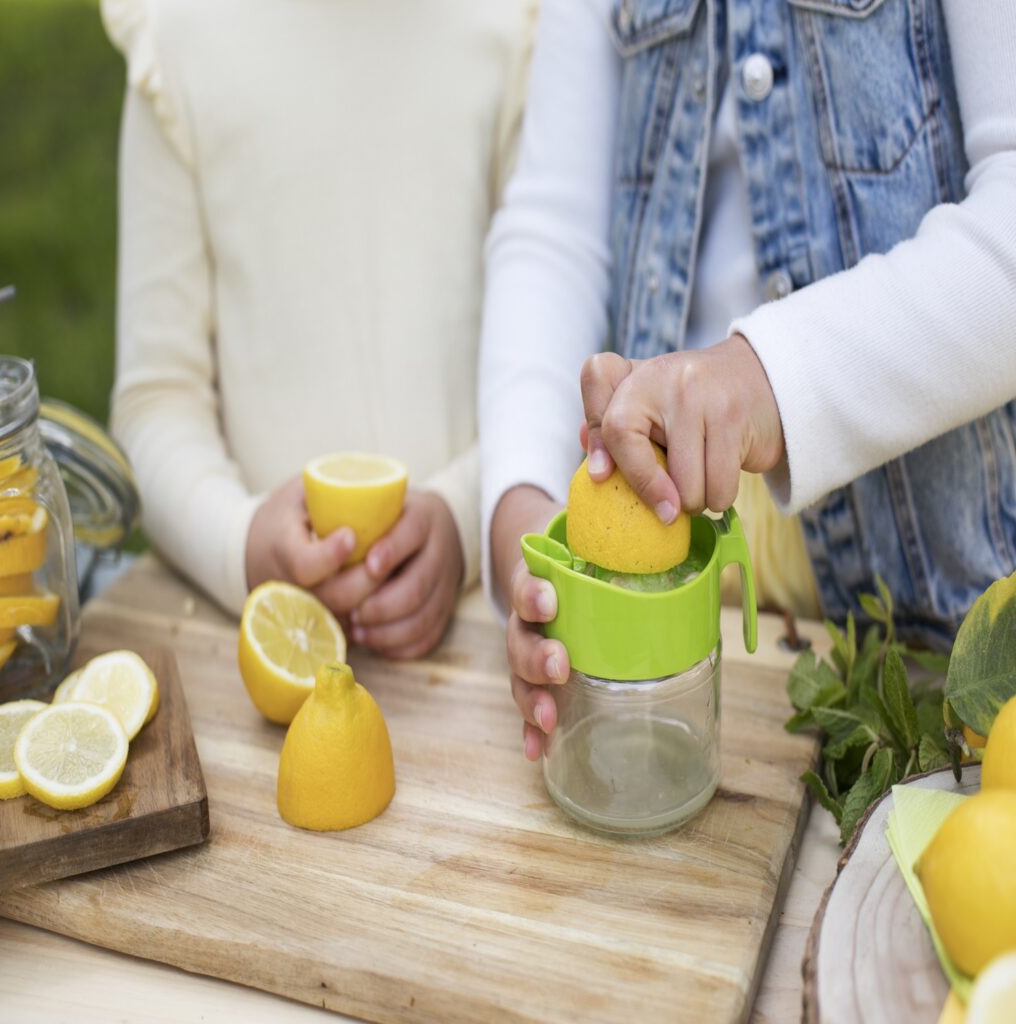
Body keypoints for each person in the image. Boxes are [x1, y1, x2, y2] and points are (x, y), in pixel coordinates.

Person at [479, 0, 1016, 760]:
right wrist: (525, 527)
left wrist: (765, 374)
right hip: (650, 565)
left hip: (929, 636)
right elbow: (553, 230)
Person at [103, 0, 535, 658]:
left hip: (481, 637)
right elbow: (155, 397)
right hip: (248, 652)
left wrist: (463, 520)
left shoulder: (513, 26)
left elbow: (551, 360)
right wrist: (239, 544)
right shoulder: (180, 31)